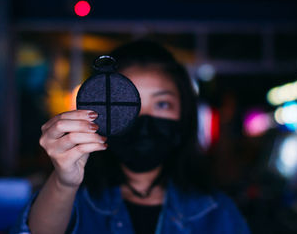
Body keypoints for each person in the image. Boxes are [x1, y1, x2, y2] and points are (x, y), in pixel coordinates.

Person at [13, 40, 250, 234]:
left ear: (184, 115)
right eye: (129, 105)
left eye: (162, 103)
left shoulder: (218, 212)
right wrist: (64, 182)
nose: (144, 118)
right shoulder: (73, 200)